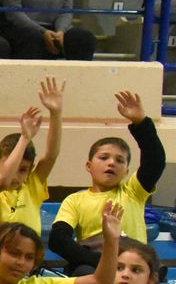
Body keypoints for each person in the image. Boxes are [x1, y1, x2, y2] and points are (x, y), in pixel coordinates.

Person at [51, 90, 165, 269]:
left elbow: (155, 161)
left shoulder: (133, 192)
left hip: (133, 265)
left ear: (126, 171)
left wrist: (141, 122)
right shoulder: (74, 201)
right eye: (104, 158)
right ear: (89, 166)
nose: (111, 163)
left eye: (119, 160)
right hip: (95, 266)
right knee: (82, 273)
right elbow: (58, 240)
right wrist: (101, 263)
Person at [0, 79, 65, 271]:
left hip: (27, 266)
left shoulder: (31, 186)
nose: (17, 176)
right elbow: (4, 180)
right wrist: (25, 138)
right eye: (12, 165)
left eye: (24, 169)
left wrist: (56, 114)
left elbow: (51, 155)